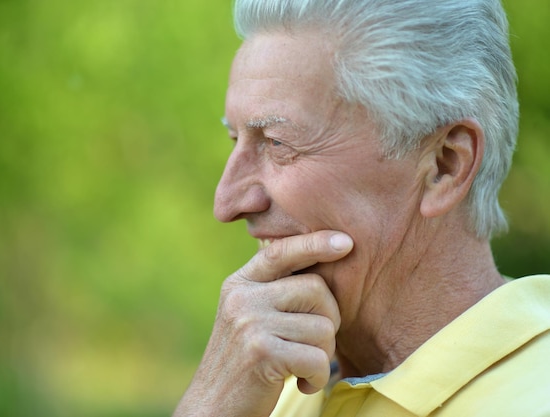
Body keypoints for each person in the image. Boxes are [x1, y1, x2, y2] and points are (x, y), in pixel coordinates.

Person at [174, 0, 550, 416]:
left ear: (445, 165)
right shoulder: (261, 384)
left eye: (278, 142)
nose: (226, 203)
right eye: (235, 141)